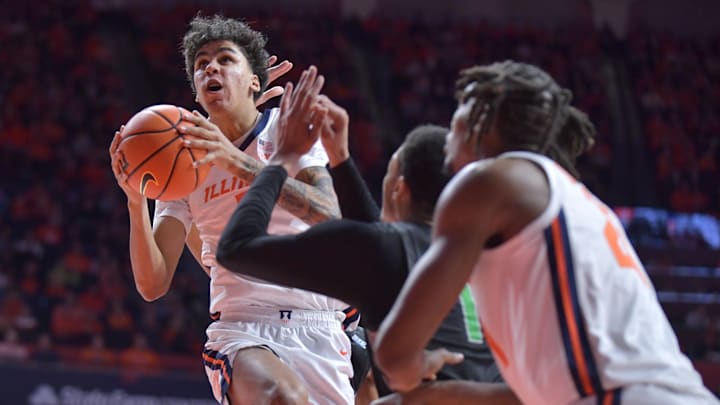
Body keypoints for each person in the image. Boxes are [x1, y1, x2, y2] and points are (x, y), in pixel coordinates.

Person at [374, 60, 719, 404]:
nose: (448, 137)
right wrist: (437, 396)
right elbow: (532, 398)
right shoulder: (578, 202)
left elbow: (395, 356)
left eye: (454, 121)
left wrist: (420, 366)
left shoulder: (486, 182)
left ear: (479, 118)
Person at [209, 80, 511, 403]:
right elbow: (372, 237)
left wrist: (282, 159)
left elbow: (235, 248)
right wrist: (340, 158)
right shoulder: (486, 256)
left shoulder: (389, 250)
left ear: (399, 190)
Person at [109, 15, 356, 405]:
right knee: (281, 397)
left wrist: (234, 159)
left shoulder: (284, 129)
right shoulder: (183, 161)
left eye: (225, 58)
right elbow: (153, 284)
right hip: (243, 327)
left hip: (320, 321)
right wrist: (136, 201)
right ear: (196, 91)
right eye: (201, 64)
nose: (211, 66)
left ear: (255, 80)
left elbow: (330, 215)